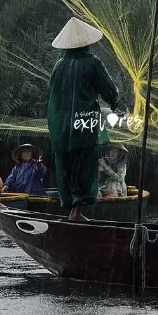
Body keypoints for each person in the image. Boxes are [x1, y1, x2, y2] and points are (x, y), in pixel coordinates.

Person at [47, 16, 123, 222]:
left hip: (60, 126)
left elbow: (53, 94)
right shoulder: (92, 63)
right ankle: (76, 213)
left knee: (66, 165)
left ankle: (71, 210)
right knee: (85, 163)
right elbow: (107, 89)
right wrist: (115, 102)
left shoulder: (59, 65)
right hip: (84, 123)